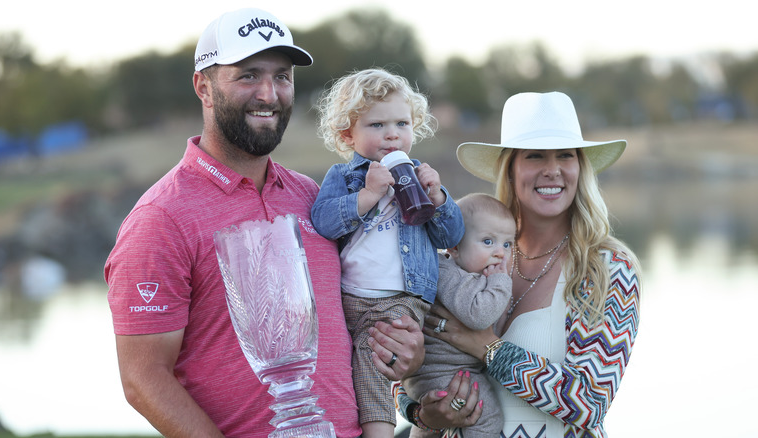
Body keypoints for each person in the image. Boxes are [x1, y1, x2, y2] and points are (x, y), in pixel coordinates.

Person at [104, 8, 423, 438]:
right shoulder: (160, 218)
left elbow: (358, 319)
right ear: (205, 87)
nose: (269, 94)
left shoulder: (313, 198)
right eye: (248, 75)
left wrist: (406, 352)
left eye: (282, 77)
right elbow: (143, 380)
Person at [393, 91, 642, 437]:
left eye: (565, 156)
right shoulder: (470, 251)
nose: (552, 170)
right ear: (510, 169)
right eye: (535, 156)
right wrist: (420, 413)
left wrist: (485, 348)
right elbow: (407, 357)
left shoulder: (607, 268)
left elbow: (590, 401)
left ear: (580, 167)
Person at [311, 68, 465, 437]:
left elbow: (452, 235)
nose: (393, 133)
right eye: (377, 125)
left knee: (373, 362)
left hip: (399, 298)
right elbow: (323, 222)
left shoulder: (419, 175)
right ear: (349, 134)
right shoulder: (344, 177)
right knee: (335, 365)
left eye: (402, 123)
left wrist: (439, 198)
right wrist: (365, 196)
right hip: (349, 297)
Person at [402, 193, 515, 438]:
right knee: (486, 418)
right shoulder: (447, 272)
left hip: (445, 374)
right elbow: (479, 316)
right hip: (443, 374)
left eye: (507, 244)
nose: (500, 253)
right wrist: (500, 282)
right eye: (488, 241)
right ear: (453, 247)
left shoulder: (469, 274)